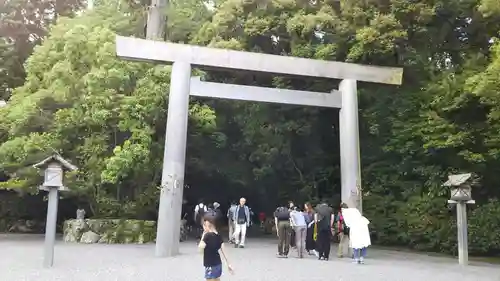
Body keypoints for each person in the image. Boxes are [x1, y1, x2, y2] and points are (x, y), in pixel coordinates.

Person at [198, 214, 234, 280]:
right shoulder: (219, 236)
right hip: (218, 264)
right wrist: (229, 264)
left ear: (207, 224)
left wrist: (203, 235)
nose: (203, 227)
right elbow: (224, 251)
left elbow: (200, 249)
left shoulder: (207, 236)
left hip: (210, 265)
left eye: (203, 225)